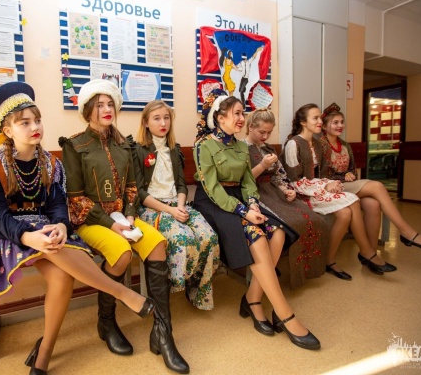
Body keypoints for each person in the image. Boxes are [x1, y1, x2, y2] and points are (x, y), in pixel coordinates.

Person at [0, 82, 154, 375]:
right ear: (8, 130)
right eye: (24, 123)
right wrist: (28, 236)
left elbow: (56, 207)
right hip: (8, 235)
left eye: (37, 120)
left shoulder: (51, 164)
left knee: (62, 276)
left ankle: (44, 354)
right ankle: (123, 293)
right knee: (53, 248)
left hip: (46, 232)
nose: (34, 127)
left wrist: (62, 225)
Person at [60, 80, 189, 374]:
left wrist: (130, 216)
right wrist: (110, 223)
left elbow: (132, 186)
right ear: (87, 110)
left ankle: (163, 333)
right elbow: (76, 199)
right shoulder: (74, 145)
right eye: (99, 105)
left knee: (158, 244)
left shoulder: (124, 144)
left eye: (110, 104)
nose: (107, 109)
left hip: (124, 218)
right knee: (121, 253)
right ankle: (106, 322)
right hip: (90, 220)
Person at [193, 89, 320, 350]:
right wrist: (244, 212)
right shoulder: (204, 145)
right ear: (219, 117)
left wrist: (251, 203)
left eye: (243, 113)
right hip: (214, 203)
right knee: (258, 236)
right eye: (237, 113)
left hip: (240, 199)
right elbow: (212, 188)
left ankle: (252, 298)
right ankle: (284, 313)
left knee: (278, 232)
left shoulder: (241, 146)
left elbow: (248, 182)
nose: (242, 118)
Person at [280, 103, 398, 281]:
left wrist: (330, 183)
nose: (320, 121)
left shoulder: (317, 145)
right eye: (315, 118)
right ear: (303, 122)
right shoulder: (293, 144)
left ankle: (329, 260)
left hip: (314, 190)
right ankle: (367, 252)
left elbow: (322, 174)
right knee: (353, 200)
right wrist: (324, 186)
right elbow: (293, 181)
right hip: (299, 195)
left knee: (345, 214)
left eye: (320, 118)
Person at [131, 100, 220, 310]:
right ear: (146, 122)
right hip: (152, 207)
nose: (163, 123)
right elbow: (139, 193)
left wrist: (180, 207)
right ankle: (174, 285)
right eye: (157, 118)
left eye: (167, 118)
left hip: (177, 204)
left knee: (209, 237)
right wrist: (170, 211)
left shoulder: (174, 149)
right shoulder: (137, 150)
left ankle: (198, 290)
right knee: (183, 238)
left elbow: (181, 184)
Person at [321, 103, 421, 251]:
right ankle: (407, 232)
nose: (340, 125)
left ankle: (371, 254)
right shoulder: (320, 145)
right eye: (335, 123)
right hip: (331, 188)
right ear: (324, 126)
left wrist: (351, 174)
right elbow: (320, 174)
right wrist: (341, 176)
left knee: (373, 204)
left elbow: (352, 169)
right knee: (377, 186)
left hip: (347, 186)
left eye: (342, 122)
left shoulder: (345, 145)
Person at [244, 108, 331, 289]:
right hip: (255, 194)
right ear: (250, 127)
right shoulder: (240, 149)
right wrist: (262, 165)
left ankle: (306, 271)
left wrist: (285, 189)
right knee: (292, 223)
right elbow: (242, 181)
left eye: (269, 132)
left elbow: (279, 175)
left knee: (314, 219)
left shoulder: (269, 149)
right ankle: (266, 273)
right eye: (262, 132)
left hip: (274, 192)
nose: (265, 136)